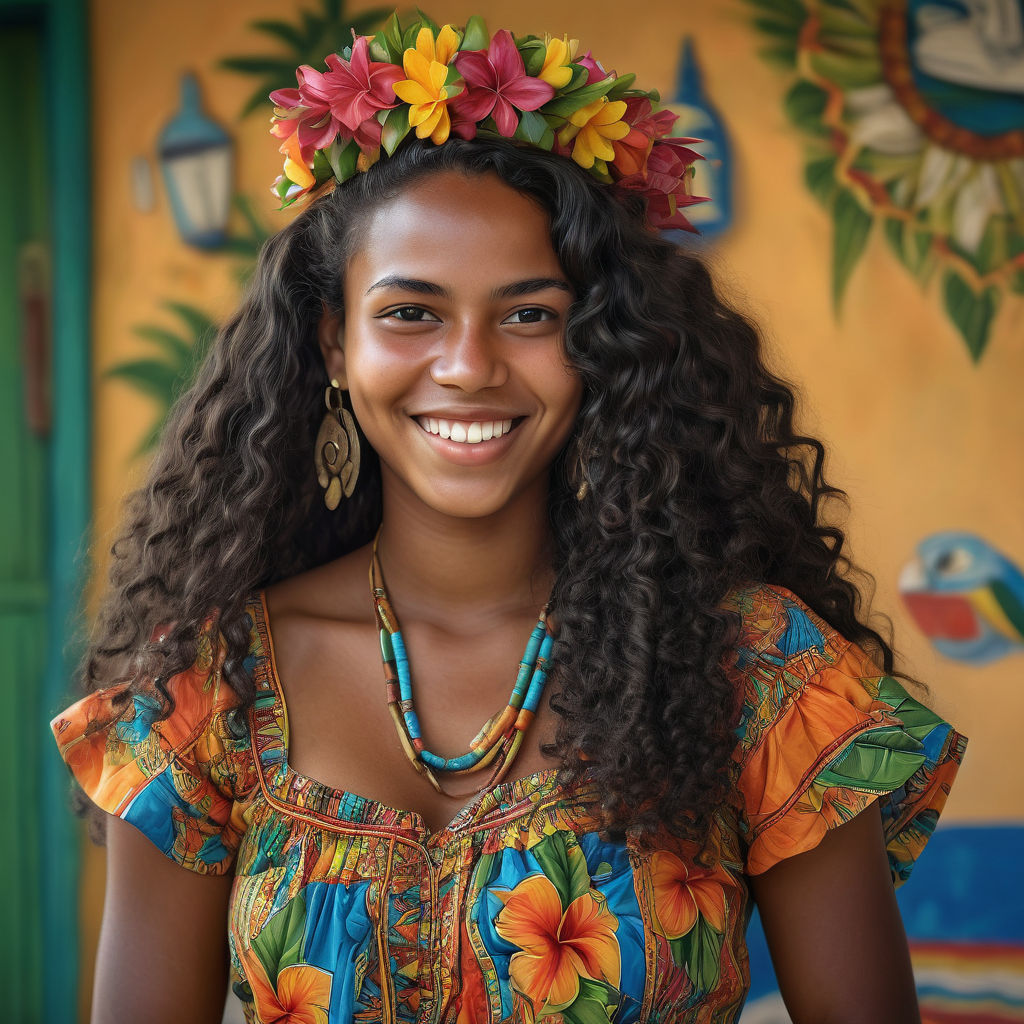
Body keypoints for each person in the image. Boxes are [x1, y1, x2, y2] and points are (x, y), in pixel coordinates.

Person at [52, 14, 967, 1024]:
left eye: (529, 313)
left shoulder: (754, 668)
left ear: (599, 345)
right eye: (411, 313)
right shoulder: (204, 688)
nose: (469, 366)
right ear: (330, 344)